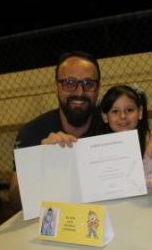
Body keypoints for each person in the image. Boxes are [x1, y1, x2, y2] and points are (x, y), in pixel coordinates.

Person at [9, 51, 102, 210]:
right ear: (56, 87)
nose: (79, 92)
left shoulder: (112, 127)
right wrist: (39, 163)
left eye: (88, 83)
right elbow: (16, 203)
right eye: (69, 82)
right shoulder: (32, 133)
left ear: (98, 88)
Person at [99, 85, 152, 186]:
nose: (123, 116)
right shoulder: (102, 148)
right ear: (105, 117)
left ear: (140, 112)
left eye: (129, 110)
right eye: (115, 111)